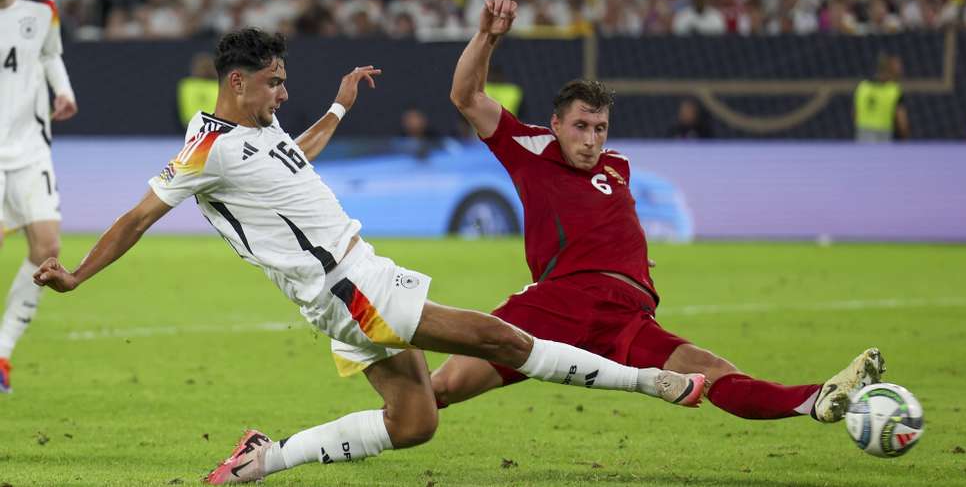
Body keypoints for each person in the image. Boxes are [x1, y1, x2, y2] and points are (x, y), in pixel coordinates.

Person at [33, 28, 705, 484]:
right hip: (346, 286)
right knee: (498, 337)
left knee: (415, 422)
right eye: (274, 84)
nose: (282, 94)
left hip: (347, 286)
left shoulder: (256, 134)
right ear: (237, 83)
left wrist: (338, 107)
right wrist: (77, 274)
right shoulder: (204, 150)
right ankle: (651, 382)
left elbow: (295, 156)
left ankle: (261, 461)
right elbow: (139, 217)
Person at [433, 0, 883, 429]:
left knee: (709, 371)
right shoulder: (530, 148)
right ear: (556, 125)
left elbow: (609, 223)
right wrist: (487, 37)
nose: (591, 140)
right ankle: (375, 417)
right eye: (581, 127)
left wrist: (630, 260)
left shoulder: (619, 166)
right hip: (561, 302)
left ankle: (817, 398)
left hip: (625, 315)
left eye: (600, 128)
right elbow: (465, 96)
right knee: (444, 387)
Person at [0, 0, 78, 394]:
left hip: (30, 149)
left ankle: (3, 351)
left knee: (47, 246)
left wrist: (62, 90)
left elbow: (50, 54)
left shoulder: (42, 8)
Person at [854, 53, 909, 142]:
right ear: (889, 67)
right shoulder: (894, 90)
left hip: (863, 138)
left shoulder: (862, 87)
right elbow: (902, 122)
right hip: (883, 139)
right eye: (898, 65)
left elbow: (855, 114)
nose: (901, 69)